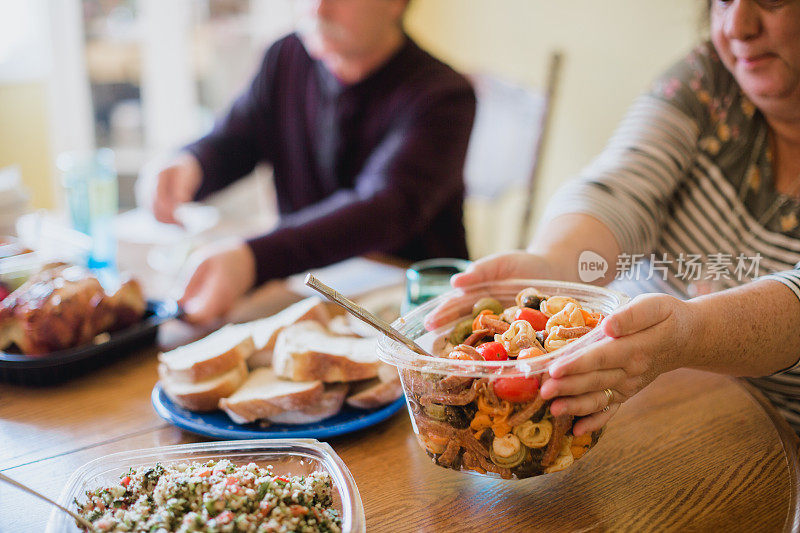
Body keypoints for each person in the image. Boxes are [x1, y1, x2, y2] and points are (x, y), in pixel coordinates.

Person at [437, 0, 800, 435]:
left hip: (777, 440)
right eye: (723, 0)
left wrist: (689, 334)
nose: (738, 25)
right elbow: (621, 187)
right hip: (631, 404)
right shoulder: (712, 76)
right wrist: (553, 266)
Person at [140, 0, 475, 324]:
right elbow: (237, 139)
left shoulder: (443, 94)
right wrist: (189, 164)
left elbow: (384, 207)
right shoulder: (286, 56)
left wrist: (254, 259)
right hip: (305, 294)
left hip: (415, 315)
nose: (317, 8)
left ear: (395, 4)